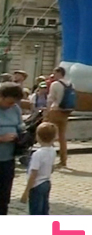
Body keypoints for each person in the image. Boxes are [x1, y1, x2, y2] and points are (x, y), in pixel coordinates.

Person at [0, 82, 27, 215]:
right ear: (1, 96)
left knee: (3, 197)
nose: (11, 105)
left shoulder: (15, 109)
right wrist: (1, 138)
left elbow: (20, 126)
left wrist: (23, 135)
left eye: (14, 103)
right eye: (9, 102)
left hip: (8, 159)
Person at [21, 123, 58, 215]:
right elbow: (52, 168)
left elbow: (34, 173)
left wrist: (26, 191)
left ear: (38, 137)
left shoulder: (37, 154)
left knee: (36, 210)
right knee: (44, 207)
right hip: (46, 182)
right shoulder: (53, 151)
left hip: (36, 185)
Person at [45, 66, 74, 167]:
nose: (53, 75)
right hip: (65, 112)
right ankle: (63, 160)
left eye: (55, 73)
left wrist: (47, 111)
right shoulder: (70, 84)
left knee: (49, 135)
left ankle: (48, 159)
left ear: (59, 73)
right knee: (62, 137)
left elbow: (50, 99)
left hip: (55, 110)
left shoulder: (55, 84)